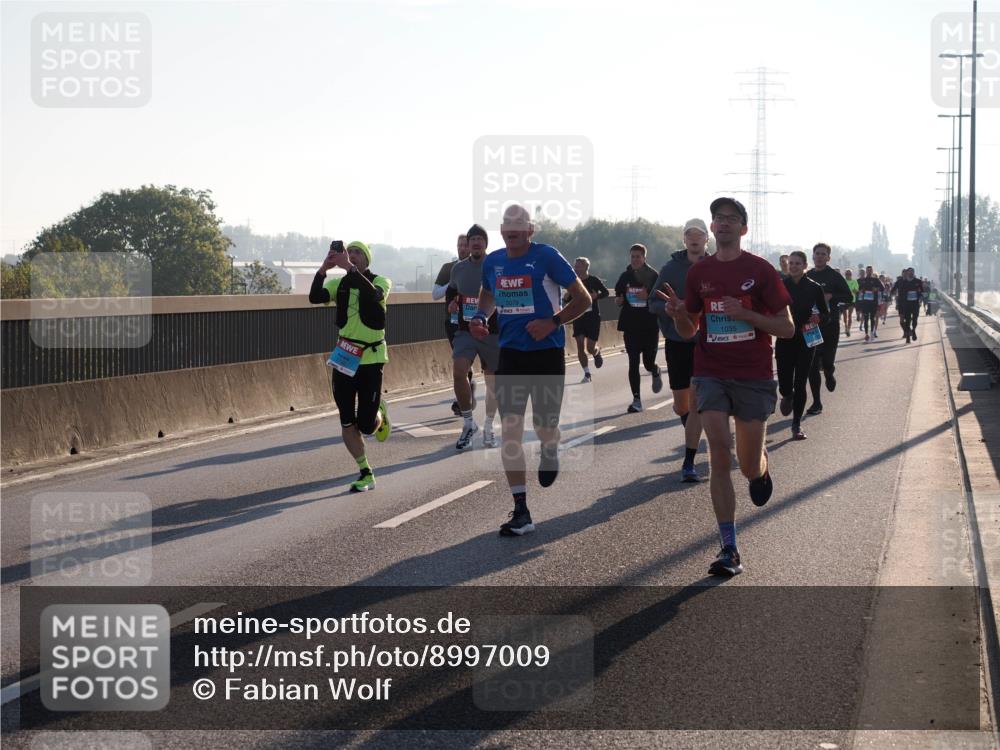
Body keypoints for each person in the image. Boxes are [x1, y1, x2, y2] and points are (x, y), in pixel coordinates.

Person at [657, 197, 794, 577]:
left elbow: (786, 328)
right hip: (710, 372)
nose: (724, 223)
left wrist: (746, 314)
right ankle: (729, 548)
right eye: (719, 218)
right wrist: (680, 314)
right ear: (713, 228)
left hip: (753, 375)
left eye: (732, 218)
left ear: (743, 228)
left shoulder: (761, 271)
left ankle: (760, 468)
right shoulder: (699, 273)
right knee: (719, 452)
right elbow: (690, 330)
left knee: (746, 466)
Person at [470, 204, 591, 536]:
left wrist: (552, 322)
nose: (512, 232)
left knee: (543, 426)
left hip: (546, 353)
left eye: (518, 227)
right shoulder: (494, 262)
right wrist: (480, 316)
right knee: (510, 431)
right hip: (510, 354)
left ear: (530, 230)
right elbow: (487, 295)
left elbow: (583, 300)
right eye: (507, 227)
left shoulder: (547, 256)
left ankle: (551, 446)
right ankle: (521, 509)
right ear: (501, 231)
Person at [309, 240, 392, 492]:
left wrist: (349, 268)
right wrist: (323, 269)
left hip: (371, 358)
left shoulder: (381, 281)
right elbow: (314, 297)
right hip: (345, 357)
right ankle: (365, 472)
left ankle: (379, 413)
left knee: (366, 425)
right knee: (346, 420)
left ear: (366, 259)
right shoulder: (339, 284)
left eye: (357, 252)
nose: (352, 255)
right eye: (350, 252)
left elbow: (375, 295)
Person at [650, 218, 709, 482]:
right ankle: (692, 433)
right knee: (681, 405)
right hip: (677, 342)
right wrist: (669, 308)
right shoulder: (671, 268)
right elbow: (652, 302)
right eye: (689, 235)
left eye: (699, 234)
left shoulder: (714, 266)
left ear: (706, 239)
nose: (694, 239)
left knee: (696, 403)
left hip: (705, 342)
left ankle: (689, 459)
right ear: (684, 240)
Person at [448, 224, 500, 449]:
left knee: (493, 382)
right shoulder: (458, 268)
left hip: (492, 331)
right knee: (459, 372)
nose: (476, 243)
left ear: (486, 243)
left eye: (480, 239)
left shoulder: (496, 266)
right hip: (465, 330)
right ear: (467, 244)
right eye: (473, 239)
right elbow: (452, 291)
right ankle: (469, 424)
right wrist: (452, 303)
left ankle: (489, 425)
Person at [777, 251, 829, 439]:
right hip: (785, 337)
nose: (793, 266)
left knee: (800, 382)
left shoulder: (814, 287)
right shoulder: (781, 286)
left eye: (797, 263)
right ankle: (786, 394)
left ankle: (796, 424)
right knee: (784, 382)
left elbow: (825, 313)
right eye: (791, 263)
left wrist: (819, 318)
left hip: (807, 338)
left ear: (805, 265)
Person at [804, 243, 852, 416]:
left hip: (830, 325)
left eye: (823, 254)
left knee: (827, 362)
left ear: (828, 258)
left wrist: (832, 296)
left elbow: (849, 297)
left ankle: (829, 372)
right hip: (811, 325)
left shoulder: (834, 276)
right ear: (813, 256)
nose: (819, 256)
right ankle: (816, 402)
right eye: (817, 253)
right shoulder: (807, 276)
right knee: (812, 365)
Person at [615, 243, 663, 413]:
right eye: (632, 256)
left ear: (644, 258)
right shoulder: (625, 276)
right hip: (631, 326)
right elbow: (619, 295)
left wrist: (648, 295)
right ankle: (636, 400)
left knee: (648, 363)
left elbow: (662, 298)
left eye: (638, 257)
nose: (635, 260)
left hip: (649, 326)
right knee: (633, 362)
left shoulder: (654, 276)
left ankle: (654, 370)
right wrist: (619, 300)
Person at [433, 235, 473, 416]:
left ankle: (465, 395)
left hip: (474, 321)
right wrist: (452, 282)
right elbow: (435, 295)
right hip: (453, 322)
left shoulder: (479, 267)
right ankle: (465, 395)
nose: (462, 248)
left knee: (466, 361)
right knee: (460, 360)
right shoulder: (448, 268)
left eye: (465, 245)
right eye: (459, 245)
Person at [564, 257, 609, 383]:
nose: (575, 268)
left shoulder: (594, 280)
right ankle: (587, 373)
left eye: (578, 266)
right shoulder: (573, 281)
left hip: (592, 317)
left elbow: (605, 293)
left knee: (590, 348)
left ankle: (596, 352)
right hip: (578, 317)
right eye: (575, 266)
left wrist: (596, 296)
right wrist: (567, 294)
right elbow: (566, 300)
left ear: (585, 267)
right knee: (580, 345)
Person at [891, 267, 924, 343]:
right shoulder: (903, 282)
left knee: (915, 319)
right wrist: (894, 294)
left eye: (912, 271)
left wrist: (920, 297)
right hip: (906, 304)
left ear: (914, 272)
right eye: (909, 271)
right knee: (907, 320)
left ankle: (913, 330)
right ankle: (908, 337)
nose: (911, 273)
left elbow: (922, 292)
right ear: (907, 273)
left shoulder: (918, 281)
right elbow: (896, 290)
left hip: (915, 303)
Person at [856, 266, 885, 342]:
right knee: (866, 318)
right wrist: (861, 290)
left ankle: (872, 332)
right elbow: (859, 289)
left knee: (872, 318)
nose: (869, 271)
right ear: (866, 271)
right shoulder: (863, 280)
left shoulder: (875, 280)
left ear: (872, 271)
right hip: (865, 302)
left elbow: (882, 288)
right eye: (868, 270)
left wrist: (876, 289)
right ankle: (866, 334)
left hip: (873, 302)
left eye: (870, 270)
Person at [842, 268, 859, 336]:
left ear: (851, 275)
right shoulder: (843, 281)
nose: (848, 275)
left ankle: (848, 329)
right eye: (847, 274)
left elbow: (856, 291)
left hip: (852, 300)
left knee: (849, 315)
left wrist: (853, 290)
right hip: (844, 300)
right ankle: (846, 326)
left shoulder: (854, 281)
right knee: (845, 315)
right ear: (845, 274)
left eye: (849, 274)